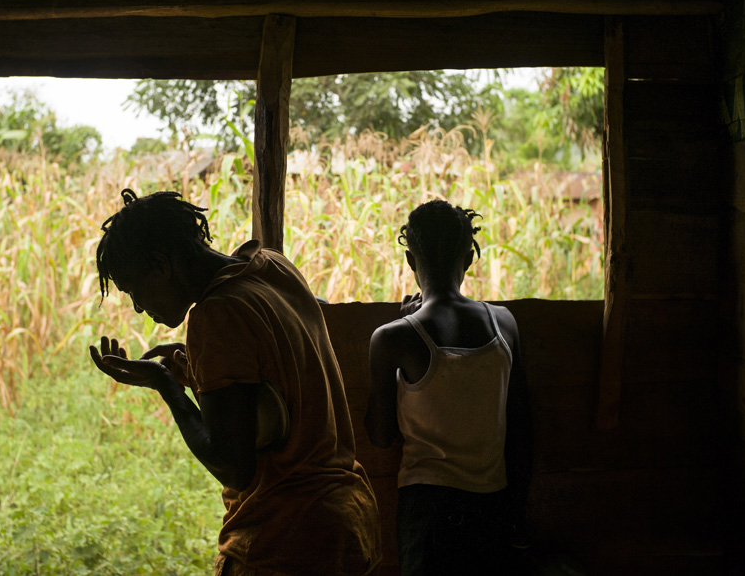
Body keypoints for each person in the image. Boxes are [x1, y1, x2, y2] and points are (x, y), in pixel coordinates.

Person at [88, 189, 381, 576]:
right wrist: (192, 367)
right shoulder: (271, 267)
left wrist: (166, 384)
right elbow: (273, 371)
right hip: (349, 520)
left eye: (134, 291)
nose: (139, 307)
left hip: (286, 540)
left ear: (160, 264)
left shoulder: (216, 314)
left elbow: (234, 467)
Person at [365, 200, 533, 576]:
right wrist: (517, 517)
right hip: (493, 506)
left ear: (410, 261)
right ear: (469, 259)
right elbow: (521, 430)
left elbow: (380, 434)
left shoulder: (392, 339)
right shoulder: (504, 324)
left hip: (427, 514)